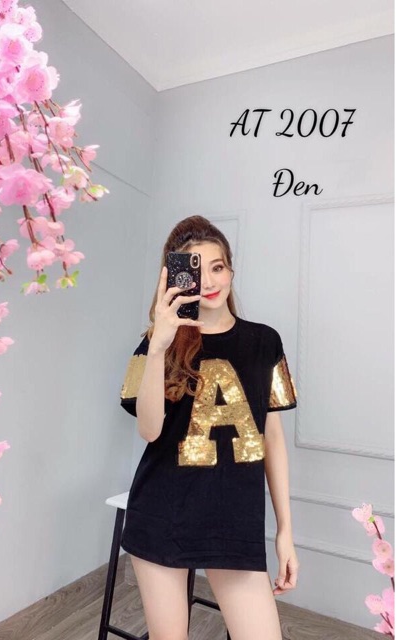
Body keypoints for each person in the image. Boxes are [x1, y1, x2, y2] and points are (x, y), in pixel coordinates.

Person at [119, 215, 299, 640]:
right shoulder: (156, 343)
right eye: (197, 272)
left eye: (218, 267)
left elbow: (271, 438)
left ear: (230, 269)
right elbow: (149, 430)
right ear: (176, 280)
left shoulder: (264, 342)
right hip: (163, 512)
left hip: (234, 519)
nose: (210, 282)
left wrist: (285, 531)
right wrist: (160, 345)